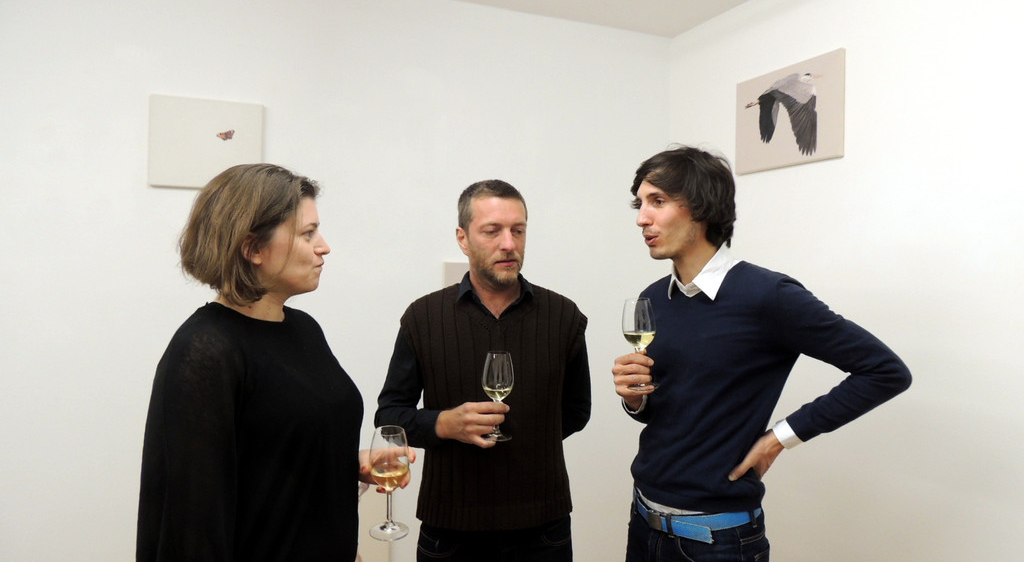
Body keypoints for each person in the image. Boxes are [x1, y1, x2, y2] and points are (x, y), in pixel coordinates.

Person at [611, 146, 912, 562]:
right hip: (644, 521)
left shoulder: (768, 295)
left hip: (717, 542)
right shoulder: (654, 298)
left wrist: (779, 438)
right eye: (640, 204)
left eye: (657, 201)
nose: (642, 218)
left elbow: (885, 371)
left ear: (701, 207)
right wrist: (635, 399)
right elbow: (668, 410)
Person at [137, 164, 410, 562]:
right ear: (253, 249)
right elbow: (193, 519)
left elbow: (273, 454)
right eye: (307, 233)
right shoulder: (205, 350)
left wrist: (343, 464)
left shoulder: (303, 329)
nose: (324, 247)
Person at [375, 179, 591, 561]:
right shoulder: (423, 317)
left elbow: (576, 412)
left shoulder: (563, 316)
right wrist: (444, 425)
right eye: (492, 231)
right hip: (449, 531)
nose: (508, 244)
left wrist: (526, 443)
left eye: (518, 230)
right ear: (463, 238)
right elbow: (389, 417)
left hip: (543, 531)